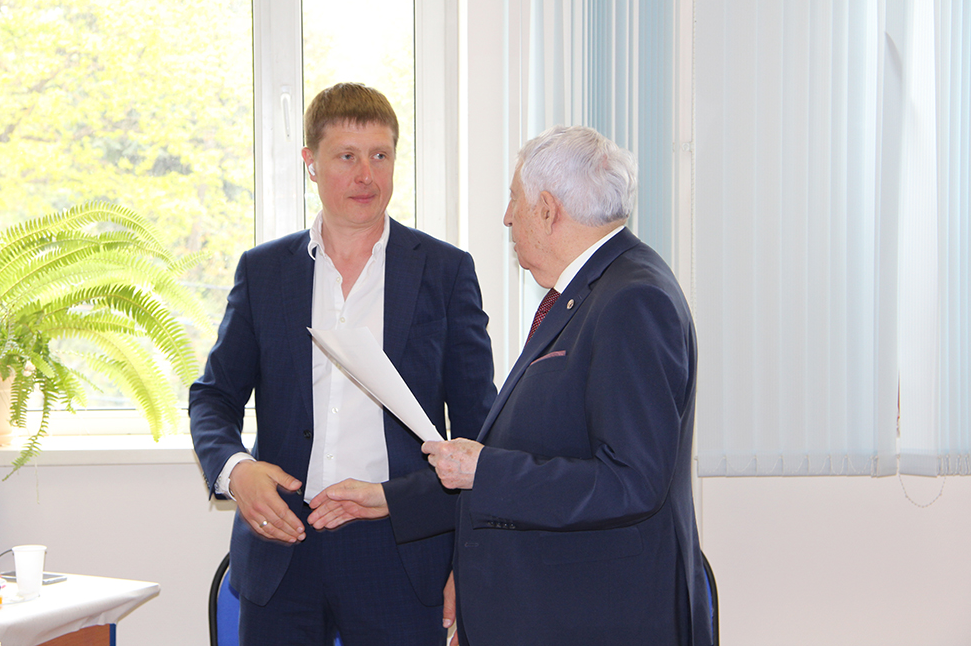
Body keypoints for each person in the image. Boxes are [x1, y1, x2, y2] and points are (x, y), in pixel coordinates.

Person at [316, 125, 711, 645]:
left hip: (601, 619)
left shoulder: (632, 300)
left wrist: (483, 467)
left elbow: (631, 482)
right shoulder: (589, 292)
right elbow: (542, 452)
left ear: (546, 209)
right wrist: (393, 498)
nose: (507, 217)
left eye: (514, 199)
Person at [189, 82, 496, 646]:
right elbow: (214, 397)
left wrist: (468, 560)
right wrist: (236, 472)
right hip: (283, 545)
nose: (367, 176)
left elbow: (479, 427)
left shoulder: (445, 271)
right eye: (347, 157)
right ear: (311, 163)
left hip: (402, 551)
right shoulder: (264, 272)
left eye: (380, 156)